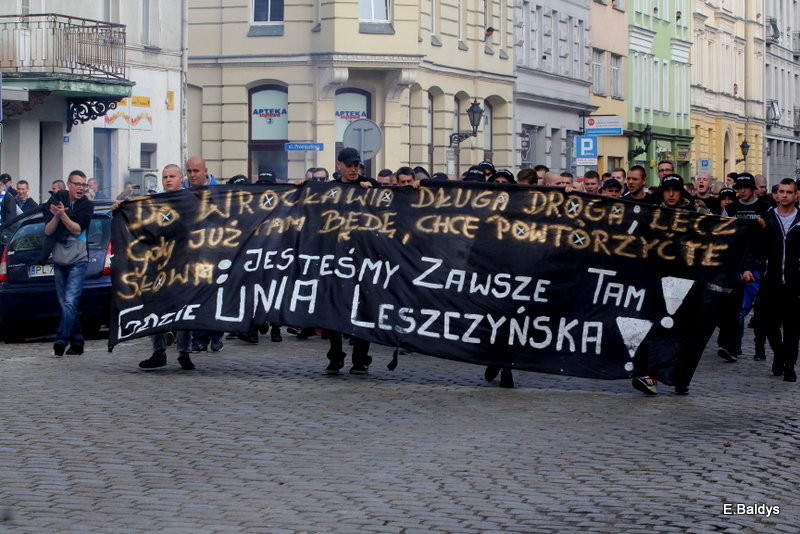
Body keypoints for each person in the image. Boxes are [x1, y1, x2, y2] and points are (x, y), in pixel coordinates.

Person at [136, 164, 196, 370]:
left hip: (183, 262)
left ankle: (184, 352)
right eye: (164, 177)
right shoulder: (155, 202)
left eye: (172, 176)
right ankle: (158, 351)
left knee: (184, 308)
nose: (168, 180)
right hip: (158, 263)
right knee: (156, 306)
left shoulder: (190, 200)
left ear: (181, 178)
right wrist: (120, 206)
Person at [325, 147, 377, 375]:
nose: (353, 169)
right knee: (334, 308)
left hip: (363, 259)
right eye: (349, 165)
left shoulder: (370, 186)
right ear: (339, 165)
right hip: (336, 258)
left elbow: (393, 202)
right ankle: (335, 357)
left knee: (362, 309)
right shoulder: (328, 189)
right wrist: (301, 188)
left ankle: (360, 359)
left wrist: (372, 192)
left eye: (356, 165)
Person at [42, 171, 94, 357]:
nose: (80, 188)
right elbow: (48, 231)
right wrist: (56, 215)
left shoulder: (86, 205)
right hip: (59, 260)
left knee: (70, 301)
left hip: (77, 261)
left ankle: (61, 339)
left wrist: (63, 215)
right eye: (77, 184)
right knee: (66, 305)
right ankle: (78, 342)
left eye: (83, 184)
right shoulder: (57, 201)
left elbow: (77, 229)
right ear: (69, 185)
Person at [756, 178, 800, 382]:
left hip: (794, 282)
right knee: (769, 324)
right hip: (770, 281)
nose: (784, 195)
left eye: (789, 192)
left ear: (796, 195)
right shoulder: (767, 218)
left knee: (792, 328)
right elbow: (755, 247)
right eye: (781, 191)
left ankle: (789, 365)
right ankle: (779, 354)